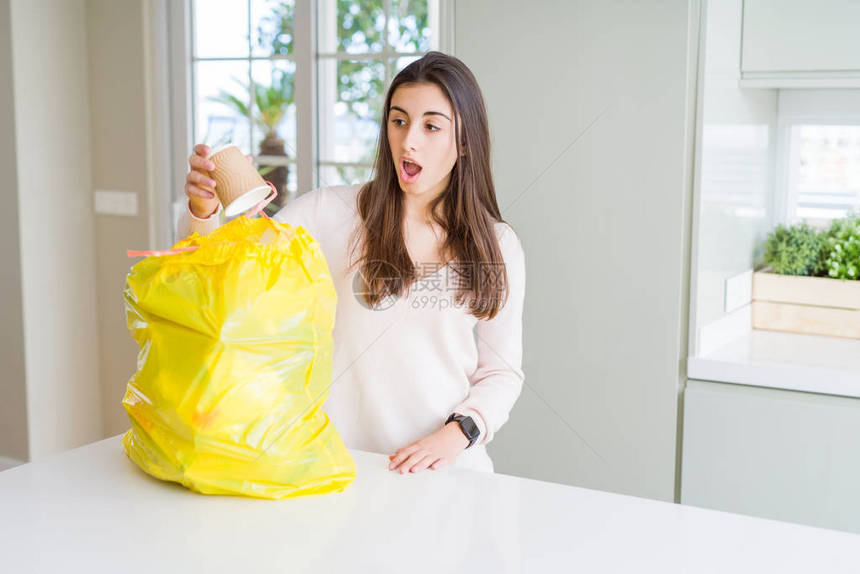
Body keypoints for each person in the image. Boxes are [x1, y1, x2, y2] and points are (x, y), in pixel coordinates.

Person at [178, 51, 525, 475]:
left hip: (448, 474)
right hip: (344, 469)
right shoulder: (329, 212)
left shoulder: (498, 245)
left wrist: (454, 436)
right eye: (399, 121)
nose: (409, 140)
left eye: (431, 126)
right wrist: (202, 209)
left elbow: (502, 374)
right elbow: (220, 272)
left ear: (466, 141)